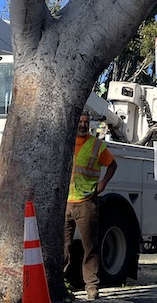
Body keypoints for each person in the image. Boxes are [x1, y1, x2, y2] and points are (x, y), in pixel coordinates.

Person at [64, 111, 118, 300]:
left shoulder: (96, 145)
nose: (83, 125)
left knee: (90, 246)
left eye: (86, 122)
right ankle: (61, 281)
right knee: (64, 245)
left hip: (86, 202)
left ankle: (91, 286)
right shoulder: (65, 141)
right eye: (80, 121)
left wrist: (102, 184)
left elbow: (112, 165)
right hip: (65, 202)